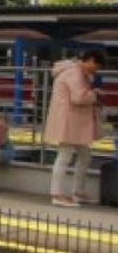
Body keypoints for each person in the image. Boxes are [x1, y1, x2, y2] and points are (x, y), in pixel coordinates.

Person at [44, 49, 105, 207]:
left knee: (84, 155)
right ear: (90, 60)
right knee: (65, 156)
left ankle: (78, 192)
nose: (96, 70)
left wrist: (91, 90)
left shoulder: (75, 71)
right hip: (69, 121)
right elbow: (79, 97)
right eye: (97, 66)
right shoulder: (75, 73)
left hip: (73, 121)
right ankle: (57, 194)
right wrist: (94, 94)